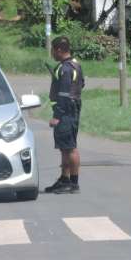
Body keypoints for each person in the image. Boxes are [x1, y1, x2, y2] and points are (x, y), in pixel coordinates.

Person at [45, 36, 85, 194]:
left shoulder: (66, 69)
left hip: (66, 112)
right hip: (70, 110)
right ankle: (64, 179)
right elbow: (81, 84)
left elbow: (63, 94)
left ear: (59, 50)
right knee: (64, 147)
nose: (52, 53)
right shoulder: (75, 65)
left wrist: (57, 116)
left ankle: (73, 183)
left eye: (53, 50)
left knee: (70, 147)